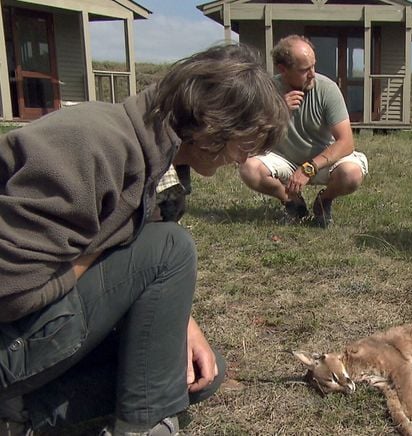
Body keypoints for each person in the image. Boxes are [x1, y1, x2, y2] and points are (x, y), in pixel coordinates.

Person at [0, 43, 289, 435]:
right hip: (9, 337)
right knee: (171, 248)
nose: (244, 159)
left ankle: (24, 412)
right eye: (246, 144)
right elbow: (11, 292)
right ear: (209, 124)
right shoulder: (91, 147)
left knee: (194, 372)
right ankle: (143, 426)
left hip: (30, 337)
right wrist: (107, 245)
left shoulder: (157, 165)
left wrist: (184, 323)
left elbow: (135, 263)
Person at [238, 34, 369, 228]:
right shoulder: (268, 90)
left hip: (322, 159)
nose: (312, 74)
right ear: (283, 69)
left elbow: (346, 142)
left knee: (352, 174)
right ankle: (291, 201)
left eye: (313, 66)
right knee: (248, 169)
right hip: (284, 159)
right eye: (304, 70)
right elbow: (249, 137)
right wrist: (278, 111)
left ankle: (324, 201)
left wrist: (309, 168)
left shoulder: (327, 89)